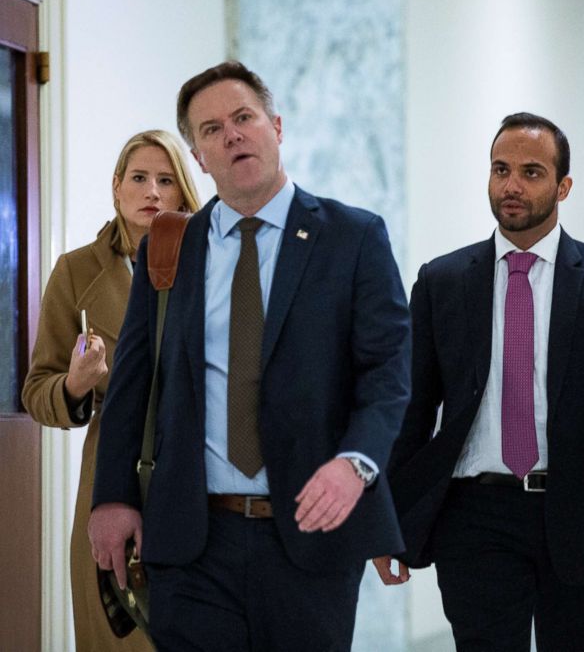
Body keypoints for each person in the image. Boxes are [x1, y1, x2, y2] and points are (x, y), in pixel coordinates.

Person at [87, 61, 411, 651]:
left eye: (243, 118)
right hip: (193, 539)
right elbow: (133, 383)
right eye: (211, 130)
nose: (232, 134)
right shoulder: (169, 245)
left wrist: (355, 464)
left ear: (277, 126)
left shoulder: (352, 237)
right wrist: (112, 496)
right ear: (200, 157)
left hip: (310, 538)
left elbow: (387, 374)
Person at [372, 112, 584, 651]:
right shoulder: (443, 281)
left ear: (564, 186)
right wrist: (385, 516)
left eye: (531, 172)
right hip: (475, 514)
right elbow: (410, 407)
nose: (511, 186)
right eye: (500, 169)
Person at [21, 130, 199, 651]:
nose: (153, 192)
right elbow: (37, 389)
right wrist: (75, 385)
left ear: (185, 194)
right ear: (116, 186)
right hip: (114, 479)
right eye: (139, 178)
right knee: (119, 635)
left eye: (167, 181)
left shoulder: (211, 265)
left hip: (197, 473)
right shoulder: (77, 270)